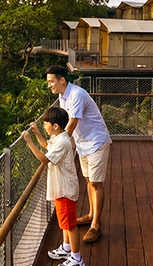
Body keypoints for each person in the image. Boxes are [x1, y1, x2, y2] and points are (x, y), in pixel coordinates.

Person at [45, 65, 111, 244]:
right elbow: (63, 124)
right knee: (89, 181)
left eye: (51, 81)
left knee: (96, 183)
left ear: (62, 80)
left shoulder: (76, 95)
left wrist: (55, 148)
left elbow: (71, 125)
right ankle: (90, 215)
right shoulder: (62, 96)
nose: (49, 85)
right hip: (83, 143)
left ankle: (96, 225)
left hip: (96, 141)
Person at [22, 106, 85, 266]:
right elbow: (46, 145)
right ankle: (66, 248)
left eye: (46, 124)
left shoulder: (63, 142)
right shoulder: (59, 137)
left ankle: (77, 259)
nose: (44, 126)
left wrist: (29, 141)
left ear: (55, 126)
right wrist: (37, 133)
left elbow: (44, 159)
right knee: (64, 222)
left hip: (65, 189)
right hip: (61, 188)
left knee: (70, 225)